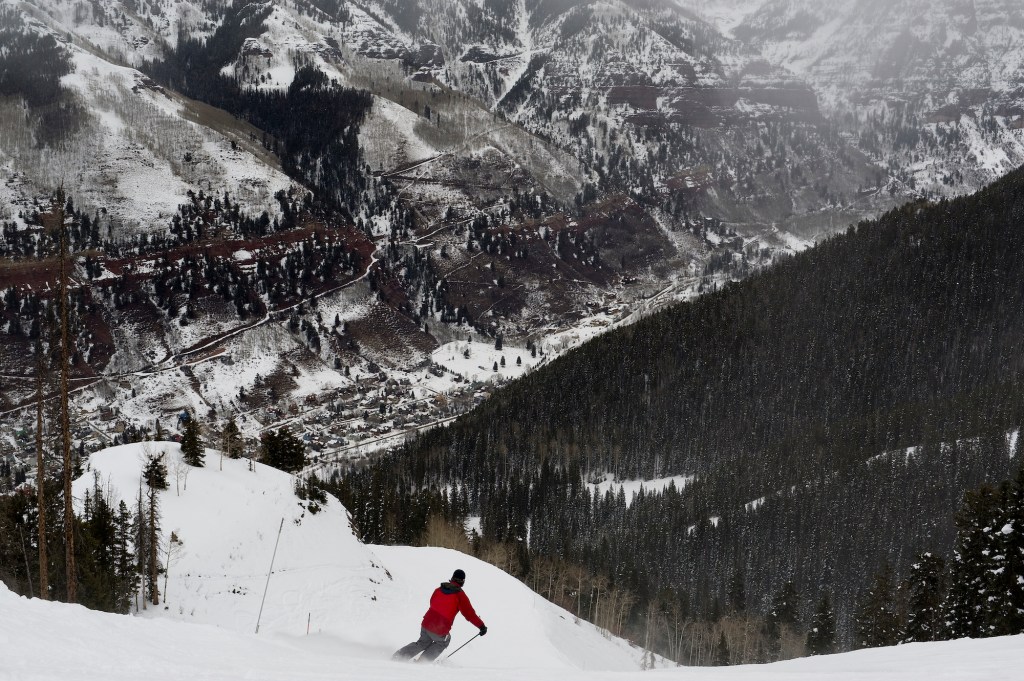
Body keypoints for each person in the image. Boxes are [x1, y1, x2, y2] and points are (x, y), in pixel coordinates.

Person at [393, 569, 487, 662]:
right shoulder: (460, 595)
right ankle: (422, 662)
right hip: (439, 628)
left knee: (422, 643)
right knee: (444, 642)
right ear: (463, 581)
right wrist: (481, 626)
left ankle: (399, 656)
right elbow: (469, 614)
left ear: (452, 578)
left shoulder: (439, 589)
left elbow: (432, 602)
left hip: (426, 623)